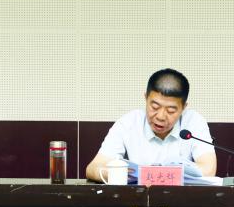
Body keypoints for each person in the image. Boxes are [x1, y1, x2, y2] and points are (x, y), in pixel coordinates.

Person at [85, 69, 217, 182]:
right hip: (137, 200)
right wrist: (118, 174)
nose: (161, 116)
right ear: (146, 98)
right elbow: (93, 168)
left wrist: (154, 175)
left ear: (183, 107)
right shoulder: (129, 122)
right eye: (154, 107)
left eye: (171, 110)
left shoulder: (194, 122)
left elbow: (208, 169)